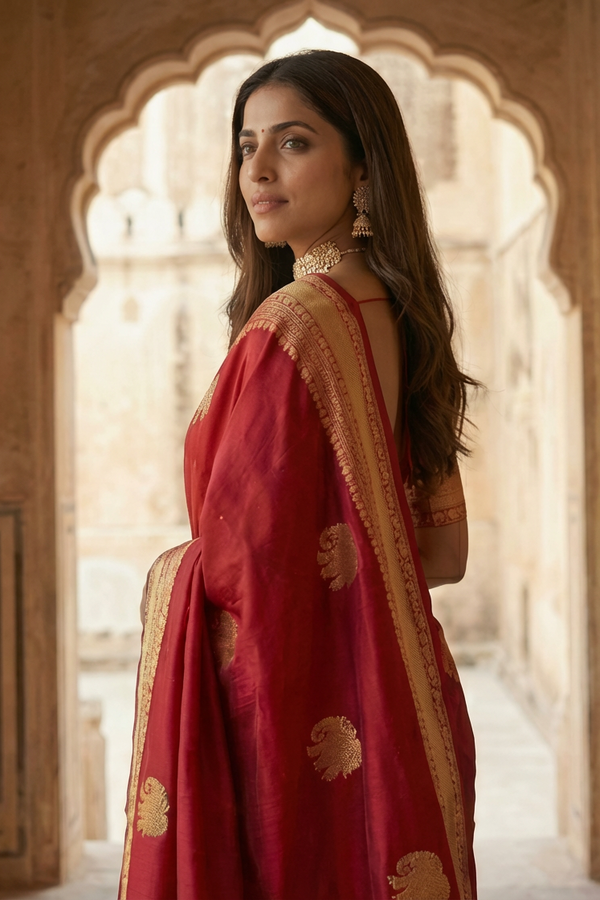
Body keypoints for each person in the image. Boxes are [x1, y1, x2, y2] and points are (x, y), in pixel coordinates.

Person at [119, 50, 478, 900]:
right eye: (247, 146)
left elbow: (249, 565)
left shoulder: (292, 325)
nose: (259, 170)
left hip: (289, 729)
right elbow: (441, 554)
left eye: (294, 142)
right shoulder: (399, 315)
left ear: (362, 169)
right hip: (401, 712)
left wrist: (171, 574)